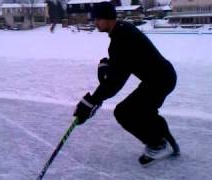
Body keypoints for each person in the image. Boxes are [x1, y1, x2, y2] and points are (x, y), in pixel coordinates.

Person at [73, 1, 180, 165]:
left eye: (98, 19)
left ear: (108, 18)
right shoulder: (122, 31)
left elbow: (115, 82)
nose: (95, 23)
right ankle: (167, 144)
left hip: (159, 80)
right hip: (161, 77)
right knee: (147, 112)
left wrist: (91, 101)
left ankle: (158, 144)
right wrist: (108, 67)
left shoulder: (121, 38)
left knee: (124, 112)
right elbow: (125, 62)